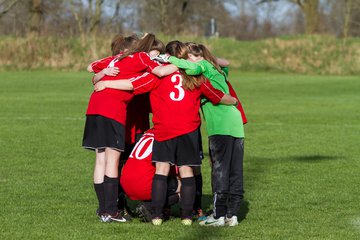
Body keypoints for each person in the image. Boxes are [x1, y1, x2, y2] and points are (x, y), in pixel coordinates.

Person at [93, 40, 238, 226]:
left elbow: (132, 84)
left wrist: (107, 84)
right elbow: (216, 95)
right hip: (188, 130)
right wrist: (233, 100)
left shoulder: (157, 77)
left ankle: (156, 216)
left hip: (163, 129)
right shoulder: (196, 77)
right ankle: (187, 216)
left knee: (161, 171)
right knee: (187, 172)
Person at [82, 34, 175, 223]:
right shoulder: (142, 57)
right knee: (112, 161)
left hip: (94, 107)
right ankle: (112, 211)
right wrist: (182, 63)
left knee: (101, 159)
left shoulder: (119, 58)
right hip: (112, 109)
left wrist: (103, 74)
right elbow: (159, 72)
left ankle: (103, 210)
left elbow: (91, 67)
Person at [158, 42, 246, 227]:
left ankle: (219, 215)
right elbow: (226, 62)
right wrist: (208, 56)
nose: (185, 60)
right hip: (236, 122)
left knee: (220, 170)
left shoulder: (202, 67)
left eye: (187, 56)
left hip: (220, 124)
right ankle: (233, 215)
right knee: (235, 170)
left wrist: (168, 58)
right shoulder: (216, 67)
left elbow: (190, 67)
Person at [120, 129, 181, 222]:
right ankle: (150, 207)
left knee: (163, 180)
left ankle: (153, 207)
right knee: (183, 185)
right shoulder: (168, 134)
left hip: (125, 183)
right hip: (143, 184)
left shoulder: (148, 132)